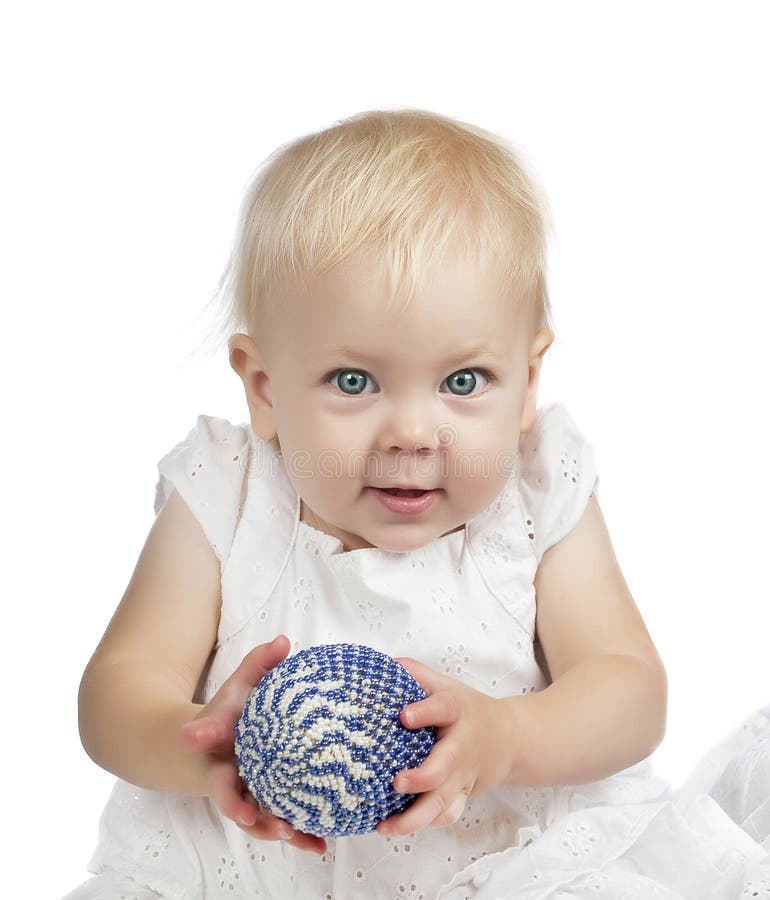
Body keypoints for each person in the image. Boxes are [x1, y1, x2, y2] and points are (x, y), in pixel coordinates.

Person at [65, 109, 770, 899]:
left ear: (528, 380)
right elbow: (117, 688)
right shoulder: (227, 499)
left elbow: (629, 689)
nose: (411, 433)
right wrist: (198, 744)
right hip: (243, 878)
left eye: (462, 382)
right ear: (264, 389)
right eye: (353, 381)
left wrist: (505, 738)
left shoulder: (534, 499)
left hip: (505, 871)